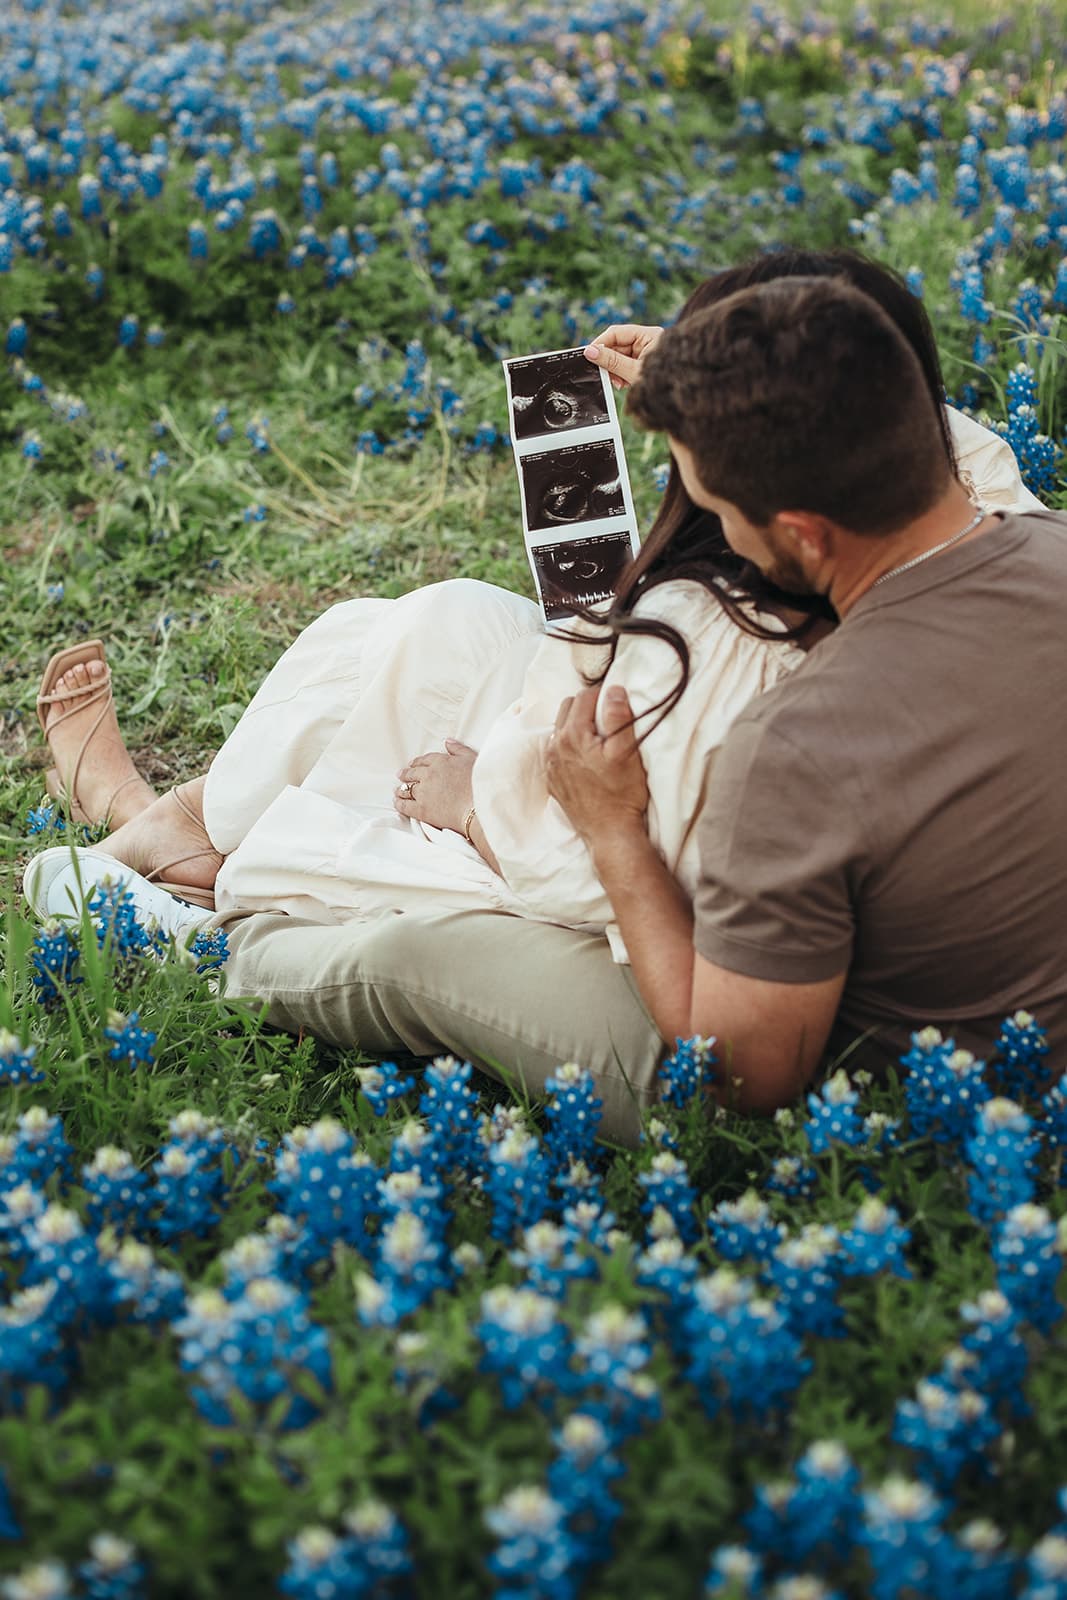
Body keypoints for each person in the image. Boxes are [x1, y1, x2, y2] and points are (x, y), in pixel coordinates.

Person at [24, 260, 1053, 1140]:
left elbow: (745, 1076)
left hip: (846, 1063)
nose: (711, 526)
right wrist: (724, 389)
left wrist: (608, 832)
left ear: (804, 531)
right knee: (467, 631)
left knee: (406, 948)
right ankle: (181, 826)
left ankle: (195, 934)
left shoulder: (797, 739)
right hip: (888, 937)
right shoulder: (1029, 535)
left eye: (719, 504)